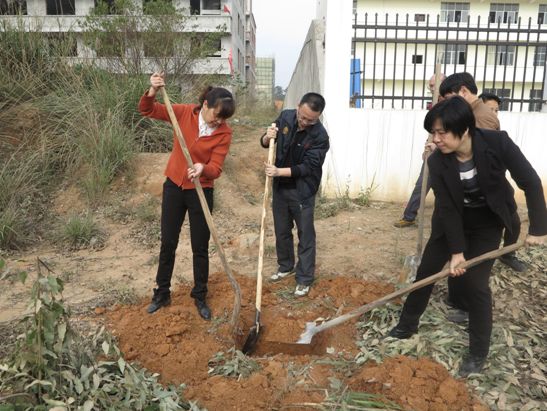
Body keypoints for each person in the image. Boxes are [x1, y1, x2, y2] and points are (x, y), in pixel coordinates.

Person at [387, 96, 547, 377]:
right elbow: (447, 209)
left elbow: (530, 181)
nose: (436, 139)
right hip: (452, 220)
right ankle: (407, 324)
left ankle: (477, 353)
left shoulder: (498, 143)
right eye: (432, 133)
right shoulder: (438, 162)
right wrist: (457, 252)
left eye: (441, 132)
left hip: (488, 221)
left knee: (476, 284)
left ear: (464, 129)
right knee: (426, 272)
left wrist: (538, 229)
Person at [139, 72, 235, 320]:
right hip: (174, 186)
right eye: (216, 115)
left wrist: (204, 169)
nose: (218, 122)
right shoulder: (182, 112)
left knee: (199, 246)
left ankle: (200, 295)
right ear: (205, 105)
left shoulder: (224, 133)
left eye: (223, 119)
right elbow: (147, 110)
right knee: (168, 243)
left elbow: (217, 167)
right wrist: (152, 90)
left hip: (201, 191)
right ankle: (162, 293)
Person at [261, 93, 330, 297]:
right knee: (282, 230)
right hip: (280, 187)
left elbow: (308, 167)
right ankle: (285, 267)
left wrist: (278, 171)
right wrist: (267, 136)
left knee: (305, 234)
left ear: (318, 117)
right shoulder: (285, 117)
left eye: (311, 119)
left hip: (302, 189)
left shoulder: (320, 136)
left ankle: (304, 278)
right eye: (303, 116)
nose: (305, 122)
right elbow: (265, 142)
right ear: (298, 106)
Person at [394, 73, 446, 228]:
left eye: (433, 85)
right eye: (429, 85)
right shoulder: (435, 105)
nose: (431, 88)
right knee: (422, 183)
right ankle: (409, 216)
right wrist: (427, 147)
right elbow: (433, 130)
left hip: (449, 151)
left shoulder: (451, 105)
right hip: (434, 150)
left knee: (445, 188)